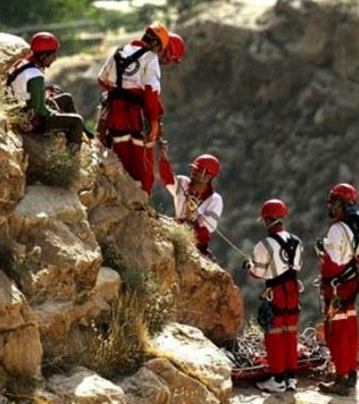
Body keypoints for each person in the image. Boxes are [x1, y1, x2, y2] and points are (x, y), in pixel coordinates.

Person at [96, 23, 169, 195]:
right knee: (143, 159)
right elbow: (151, 93)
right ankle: (141, 199)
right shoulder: (150, 58)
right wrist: (153, 121)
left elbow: (101, 79)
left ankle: (122, 194)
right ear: (157, 44)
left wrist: (119, 90)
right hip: (138, 116)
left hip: (115, 113)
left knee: (121, 154)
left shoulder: (118, 51)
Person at [243, 199, 304, 393]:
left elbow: (258, 273)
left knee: (274, 334)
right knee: (291, 332)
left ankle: (277, 379)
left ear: (268, 219)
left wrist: (249, 266)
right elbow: (297, 266)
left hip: (275, 292)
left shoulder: (264, 245)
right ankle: (291, 378)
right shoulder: (297, 241)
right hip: (293, 289)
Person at [316, 183, 359, 396]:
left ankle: (341, 378)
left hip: (336, 288)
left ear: (341, 205)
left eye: (333, 202)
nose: (330, 206)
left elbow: (333, 264)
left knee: (336, 333)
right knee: (351, 329)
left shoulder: (337, 230)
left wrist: (321, 252)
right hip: (351, 284)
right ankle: (351, 373)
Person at [6, 31, 84, 150]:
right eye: (53, 55)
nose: (55, 58)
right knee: (77, 121)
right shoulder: (35, 75)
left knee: (66, 98)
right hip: (30, 120)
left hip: (23, 107)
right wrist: (56, 113)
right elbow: (40, 109)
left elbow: (26, 90)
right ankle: (72, 153)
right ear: (43, 55)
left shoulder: (24, 63)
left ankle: (74, 135)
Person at [159, 151, 223, 258]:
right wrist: (164, 159)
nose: (193, 172)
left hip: (197, 244)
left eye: (198, 170)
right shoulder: (183, 182)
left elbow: (207, 228)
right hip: (177, 232)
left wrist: (189, 222)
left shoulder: (215, 200)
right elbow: (167, 179)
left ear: (209, 176)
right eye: (194, 169)